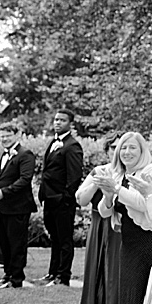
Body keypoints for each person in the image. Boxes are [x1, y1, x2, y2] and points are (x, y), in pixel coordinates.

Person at [94, 131, 152, 304]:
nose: (126, 152)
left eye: (132, 148)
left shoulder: (151, 171)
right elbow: (105, 211)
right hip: (129, 241)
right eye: (123, 148)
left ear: (142, 150)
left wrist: (116, 189)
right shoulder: (119, 174)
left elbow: (145, 203)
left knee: (145, 293)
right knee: (128, 293)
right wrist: (107, 194)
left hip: (149, 239)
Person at [0, 123, 38, 289]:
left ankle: (17, 279)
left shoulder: (26, 154)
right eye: (2, 136)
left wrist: (3, 192)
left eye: (8, 136)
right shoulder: (0, 155)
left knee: (16, 244)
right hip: (2, 207)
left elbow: (24, 180)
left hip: (18, 207)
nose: (4, 139)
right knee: (3, 243)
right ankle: (7, 275)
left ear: (17, 135)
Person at [75, 132, 122, 304]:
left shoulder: (132, 173)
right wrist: (97, 180)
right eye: (113, 148)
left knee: (115, 273)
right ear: (107, 150)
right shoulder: (98, 170)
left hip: (119, 227)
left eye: (120, 148)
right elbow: (81, 199)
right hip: (98, 224)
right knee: (96, 269)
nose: (117, 152)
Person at [39, 109, 84, 287]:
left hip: (62, 201)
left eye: (62, 120)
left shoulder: (72, 145)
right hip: (49, 199)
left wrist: (65, 197)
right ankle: (53, 272)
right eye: (56, 119)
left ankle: (63, 276)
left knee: (64, 239)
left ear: (70, 124)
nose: (57, 122)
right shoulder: (53, 142)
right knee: (54, 237)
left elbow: (74, 176)